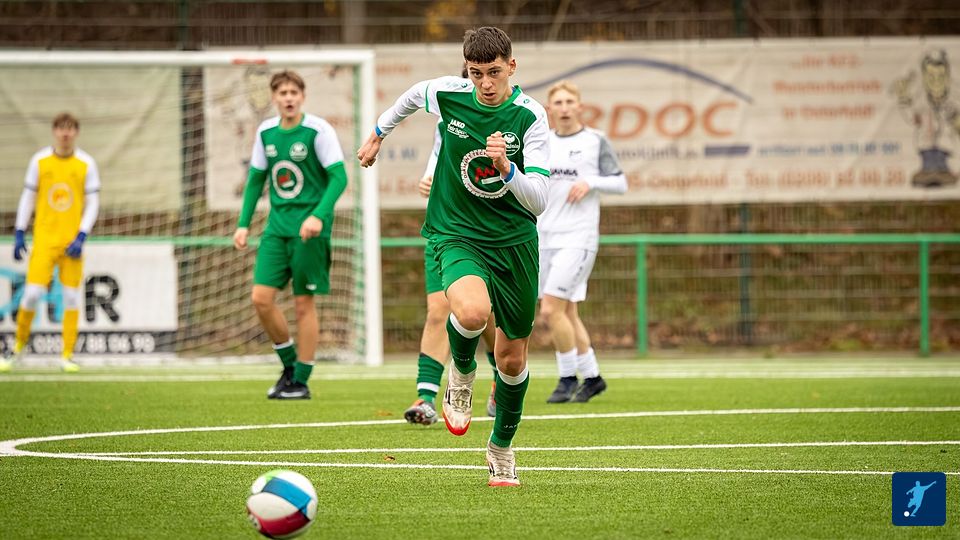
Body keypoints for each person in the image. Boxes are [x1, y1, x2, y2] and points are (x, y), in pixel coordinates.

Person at [358, 26, 549, 487]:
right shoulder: (448, 93)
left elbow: (540, 200)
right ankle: (461, 373)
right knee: (471, 312)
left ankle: (501, 448)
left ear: (512, 67)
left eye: (494, 72)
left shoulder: (530, 116)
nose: (485, 83)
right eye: (477, 73)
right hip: (456, 232)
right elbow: (410, 97)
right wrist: (378, 134)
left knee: (512, 361)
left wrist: (507, 169)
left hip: (514, 244)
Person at [233, 70, 348, 400]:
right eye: (282, 93)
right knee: (261, 298)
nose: (288, 98)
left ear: (302, 96)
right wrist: (243, 224)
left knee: (302, 304)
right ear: (274, 98)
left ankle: (301, 380)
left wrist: (317, 216)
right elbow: (256, 180)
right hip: (276, 229)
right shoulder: (266, 132)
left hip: (309, 232)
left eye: (293, 93)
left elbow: (339, 178)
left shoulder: (318, 130)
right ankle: (289, 367)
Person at [404, 82, 499, 424]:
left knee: (482, 315)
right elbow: (437, 163)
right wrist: (428, 180)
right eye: (471, 77)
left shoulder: (510, 123)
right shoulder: (446, 123)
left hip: (487, 236)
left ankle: (499, 379)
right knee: (438, 310)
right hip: (445, 232)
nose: (481, 85)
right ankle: (426, 397)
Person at [537, 81, 627, 403]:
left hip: (578, 237)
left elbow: (621, 182)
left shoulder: (594, 140)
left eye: (569, 101)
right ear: (549, 109)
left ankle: (566, 378)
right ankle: (592, 377)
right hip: (543, 237)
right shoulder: (542, 142)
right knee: (568, 313)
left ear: (580, 106)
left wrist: (591, 182)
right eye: (558, 102)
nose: (564, 108)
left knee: (550, 310)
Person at [1, 112, 100, 373]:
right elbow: (28, 197)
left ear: (76, 132)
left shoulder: (86, 163)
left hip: (72, 243)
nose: (65, 133)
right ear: (54, 131)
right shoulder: (40, 161)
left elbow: (93, 203)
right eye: (61, 128)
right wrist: (20, 231)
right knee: (32, 294)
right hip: (44, 240)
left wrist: (82, 235)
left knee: (71, 297)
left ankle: (67, 355)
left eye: (70, 128)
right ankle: (17, 348)